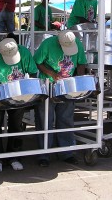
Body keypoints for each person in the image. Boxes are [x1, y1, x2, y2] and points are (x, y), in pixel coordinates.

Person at [0, 38, 38, 173]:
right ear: (0, 53)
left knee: (16, 125)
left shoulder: (24, 53)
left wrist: (24, 86)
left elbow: (32, 72)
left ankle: (14, 157)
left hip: (18, 94)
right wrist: (2, 88)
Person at [33, 30, 87, 167]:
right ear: (58, 41)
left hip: (67, 86)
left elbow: (81, 63)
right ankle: (44, 154)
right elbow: (37, 63)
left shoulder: (77, 44)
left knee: (66, 119)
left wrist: (78, 79)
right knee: (45, 120)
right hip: (48, 85)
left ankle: (67, 152)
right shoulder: (47, 44)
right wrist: (52, 73)